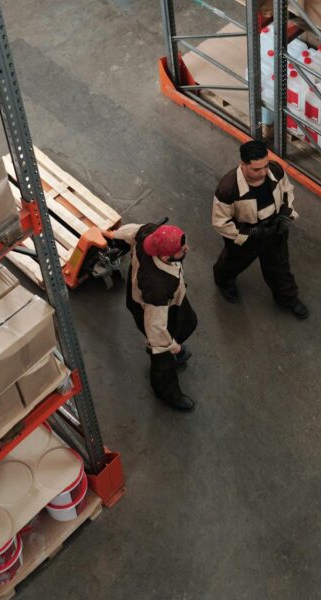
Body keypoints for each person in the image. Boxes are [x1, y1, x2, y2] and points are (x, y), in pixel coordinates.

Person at [211, 140, 308, 319]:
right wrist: (249, 233)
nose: (263, 172)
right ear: (243, 164)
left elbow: (287, 191)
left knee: (279, 267)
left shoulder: (275, 170)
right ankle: (223, 280)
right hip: (245, 236)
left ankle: (287, 298)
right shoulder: (228, 188)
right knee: (233, 262)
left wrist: (285, 215)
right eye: (257, 169)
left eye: (265, 166)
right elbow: (220, 222)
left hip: (274, 230)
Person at [107, 221, 197, 411]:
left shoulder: (149, 234)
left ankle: (172, 349)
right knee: (162, 356)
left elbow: (129, 231)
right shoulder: (158, 287)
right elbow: (156, 328)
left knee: (188, 322)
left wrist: (112, 236)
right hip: (150, 309)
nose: (187, 249)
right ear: (165, 256)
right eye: (182, 250)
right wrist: (172, 347)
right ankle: (166, 392)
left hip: (171, 300)